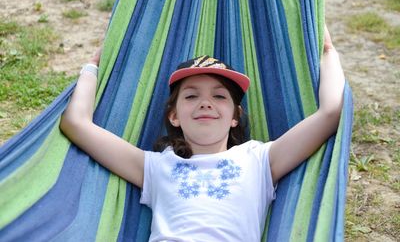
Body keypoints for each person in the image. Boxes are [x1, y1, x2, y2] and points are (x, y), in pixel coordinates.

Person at [60, 25, 345, 241]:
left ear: (235, 117)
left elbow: (331, 113)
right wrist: (93, 66)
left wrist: (328, 51)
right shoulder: (156, 165)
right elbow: (77, 124)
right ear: (174, 116)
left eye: (220, 97)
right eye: (191, 96)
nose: (205, 102)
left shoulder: (259, 160)